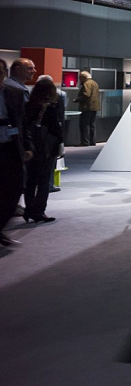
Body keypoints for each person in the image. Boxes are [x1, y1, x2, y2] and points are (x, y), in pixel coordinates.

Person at [0, 59, 33, 248]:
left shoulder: (15, 93)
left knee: (14, 189)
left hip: (11, 148)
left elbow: (23, 123)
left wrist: (28, 146)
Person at [22, 76, 62, 224]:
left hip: (31, 147)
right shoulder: (49, 107)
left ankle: (29, 210)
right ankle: (39, 211)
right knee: (44, 180)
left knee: (31, 180)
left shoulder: (28, 105)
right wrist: (60, 144)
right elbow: (55, 130)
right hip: (46, 148)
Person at [75, 69, 99, 146]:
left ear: (83, 77)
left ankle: (85, 142)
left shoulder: (86, 83)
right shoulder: (95, 83)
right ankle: (92, 141)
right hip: (94, 107)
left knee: (84, 125)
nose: (79, 80)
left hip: (87, 107)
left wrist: (77, 99)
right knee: (92, 125)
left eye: (80, 78)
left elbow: (86, 95)